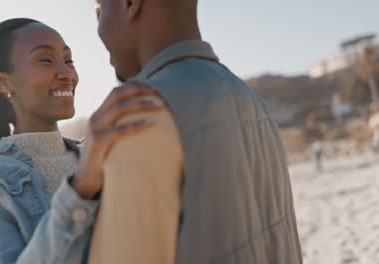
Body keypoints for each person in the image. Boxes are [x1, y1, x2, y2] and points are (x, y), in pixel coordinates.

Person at [86, 0, 303, 263]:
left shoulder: (140, 115)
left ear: (131, 4)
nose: (97, 29)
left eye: (99, 12)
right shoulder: (254, 102)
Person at [0, 18, 164, 263]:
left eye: (68, 60)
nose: (66, 73)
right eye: (45, 60)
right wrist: (81, 190)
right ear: (2, 81)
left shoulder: (103, 157)